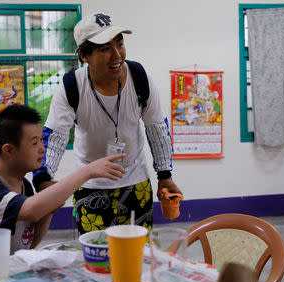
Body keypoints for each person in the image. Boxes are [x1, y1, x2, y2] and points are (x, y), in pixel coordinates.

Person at [33, 12, 182, 234]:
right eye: (105, 49)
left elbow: (157, 128)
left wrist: (165, 175)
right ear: (84, 55)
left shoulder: (139, 77)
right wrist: (44, 179)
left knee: (138, 256)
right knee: (95, 259)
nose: (116, 56)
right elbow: (55, 136)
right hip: (90, 187)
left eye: (119, 44)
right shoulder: (72, 86)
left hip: (136, 183)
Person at [0, 105, 125, 272]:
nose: (42, 149)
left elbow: (28, 244)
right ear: (9, 150)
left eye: (41, 142)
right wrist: (87, 171)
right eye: (34, 143)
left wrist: (50, 206)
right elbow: (31, 210)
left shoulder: (24, 186)